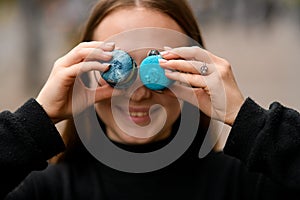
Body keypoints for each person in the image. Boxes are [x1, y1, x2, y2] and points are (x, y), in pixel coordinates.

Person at [1, 0, 299, 199]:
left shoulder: (245, 185)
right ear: (84, 71)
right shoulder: (44, 191)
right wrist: (32, 123)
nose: (140, 92)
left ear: (193, 72)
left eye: (163, 66)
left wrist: (250, 121)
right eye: (114, 67)